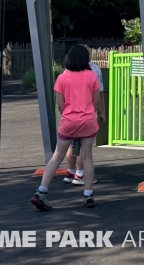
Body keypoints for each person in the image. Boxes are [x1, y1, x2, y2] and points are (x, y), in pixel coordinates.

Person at [31, 44, 103, 210]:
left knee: (57, 156)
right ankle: (88, 195)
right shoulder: (91, 76)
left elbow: (60, 104)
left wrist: (68, 115)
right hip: (87, 120)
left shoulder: (62, 78)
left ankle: (41, 192)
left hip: (69, 120)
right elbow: (96, 101)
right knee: (87, 156)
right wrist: (89, 112)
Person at [63, 45, 105, 186]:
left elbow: (61, 97)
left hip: (70, 115)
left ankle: (70, 170)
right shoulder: (93, 71)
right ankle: (80, 174)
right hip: (86, 114)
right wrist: (101, 112)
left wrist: (65, 112)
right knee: (84, 148)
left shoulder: (67, 71)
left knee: (71, 144)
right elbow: (99, 94)